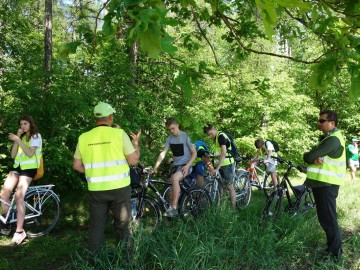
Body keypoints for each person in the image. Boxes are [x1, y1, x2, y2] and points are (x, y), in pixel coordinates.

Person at [73, 102, 141, 253]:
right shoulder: (119, 134)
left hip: (96, 190)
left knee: (96, 226)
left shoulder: (84, 137)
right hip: (120, 188)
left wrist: (94, 171)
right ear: (110, 117)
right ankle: (127, 260)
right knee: (123, 225)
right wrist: (136, 144)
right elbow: (134, 160)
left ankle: (95, 262)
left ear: (96, 119)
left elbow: (77, 166)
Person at [303, 110, 345, 260]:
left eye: (322, 121)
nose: (318, 123)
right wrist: (313, 157)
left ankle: (335, 254)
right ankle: (333, 248)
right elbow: (314, 156)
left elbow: (310, 156)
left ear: (332, 123)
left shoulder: (333, 140)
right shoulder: (329, 138)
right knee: (326, 218)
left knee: (328, 219)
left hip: (326, 185)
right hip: (323, 184)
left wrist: (310, 156)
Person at [0, 115, 42, 245]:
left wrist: (18, 139)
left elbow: (30, 153)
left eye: (25, 123)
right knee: (4, 194)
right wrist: (16, 140)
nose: (22, 126)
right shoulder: (22, 137)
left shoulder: (36, 136)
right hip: (18, 167)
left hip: (29, 169)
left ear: (30, 124)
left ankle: (19, 232)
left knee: (18, 196)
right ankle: (6, 224)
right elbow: (13, 155)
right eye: (21, 124)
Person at [152, 118, 197, 217]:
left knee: (175, 178)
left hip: (186, 166)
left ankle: (173, 208)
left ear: (177, 126)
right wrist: (154, 168)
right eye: (169, 129)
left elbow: (194, 153)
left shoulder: (185, 136)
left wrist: (187, 165)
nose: (172, 131)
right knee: (169, 188)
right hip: (176, 166)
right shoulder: (170, 138)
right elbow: (163, 153)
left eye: (173, 128)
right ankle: (172, 215)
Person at [203, 124, 236, 208]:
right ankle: (220, 206)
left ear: (214, 129)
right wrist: (210, 156)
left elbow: (224, 153)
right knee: (220, 186)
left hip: (227, 164)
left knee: (229, 186)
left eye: (210, 133)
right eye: (208, 135)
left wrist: (217, 168)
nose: (210, 136)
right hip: (220, 164)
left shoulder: (221, 136)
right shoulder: (216, 138)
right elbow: (218, 153)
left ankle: (233, 209)